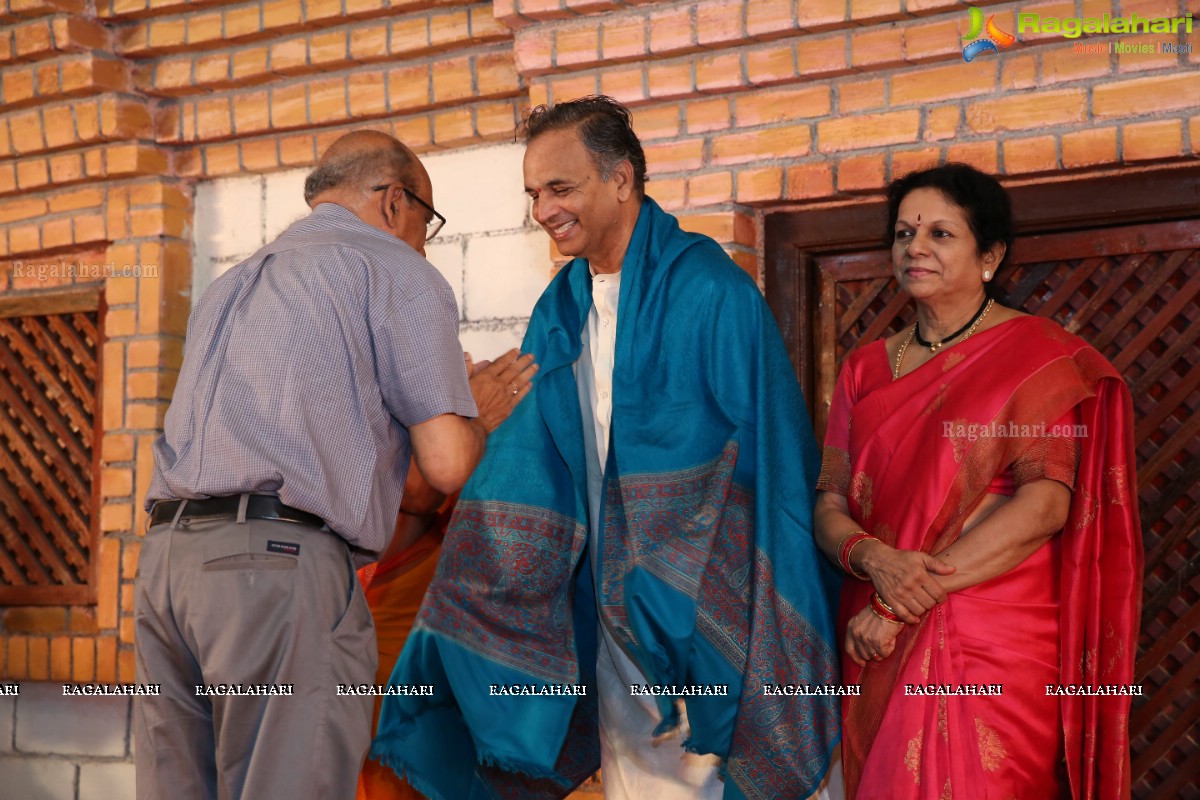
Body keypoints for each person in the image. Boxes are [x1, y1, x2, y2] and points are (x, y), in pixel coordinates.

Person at [372, 95, 842, 800]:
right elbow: (528, 471)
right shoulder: (560, 309)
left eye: (560, 188)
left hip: (711, 618)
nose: (543, 210)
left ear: (622, 179)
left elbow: (767, 465)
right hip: (609, 622)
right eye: (534, 194)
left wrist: (680, 586)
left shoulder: (711, 291)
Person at [134, 130, 536, 800]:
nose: (424, 242)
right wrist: (480, 415)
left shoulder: (238, 279)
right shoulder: (395, 269)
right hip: (276, 569)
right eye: (427, 223)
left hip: (165, 569)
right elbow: (445, 464)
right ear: (392, 201)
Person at [812, 163, 1142, 798]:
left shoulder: (1035, 356)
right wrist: (874, 560)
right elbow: (831, 502)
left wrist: (898, 600)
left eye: (941, 233)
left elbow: (1044, 507)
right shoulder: (865, 369)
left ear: (989, 254)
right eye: (904, 233)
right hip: (874, 627)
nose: (916, 247)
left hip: (989, 627)